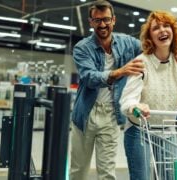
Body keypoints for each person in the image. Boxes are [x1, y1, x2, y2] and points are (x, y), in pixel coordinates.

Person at [119, 10, 177, 180]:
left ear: (173, 32)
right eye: (156, 28)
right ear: (150, 37)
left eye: (166, 26)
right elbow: (127, 99)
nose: (162, 30)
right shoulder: (141, 62)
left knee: (171, 176)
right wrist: (135, 106)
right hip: (139, 131)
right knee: (142, 177)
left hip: (167, 131)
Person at [69, 1, 144, 179]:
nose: (102, 24)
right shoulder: (82, 47)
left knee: (107, 172)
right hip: (85, 114)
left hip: (111, 114)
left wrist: (176, 51)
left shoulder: (127, 43)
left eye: (106, 19)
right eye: (97, 20)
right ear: (90, 22)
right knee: (78, 170)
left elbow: (149, 48)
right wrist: (120, 72)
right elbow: (89, 77)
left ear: (114, 20)